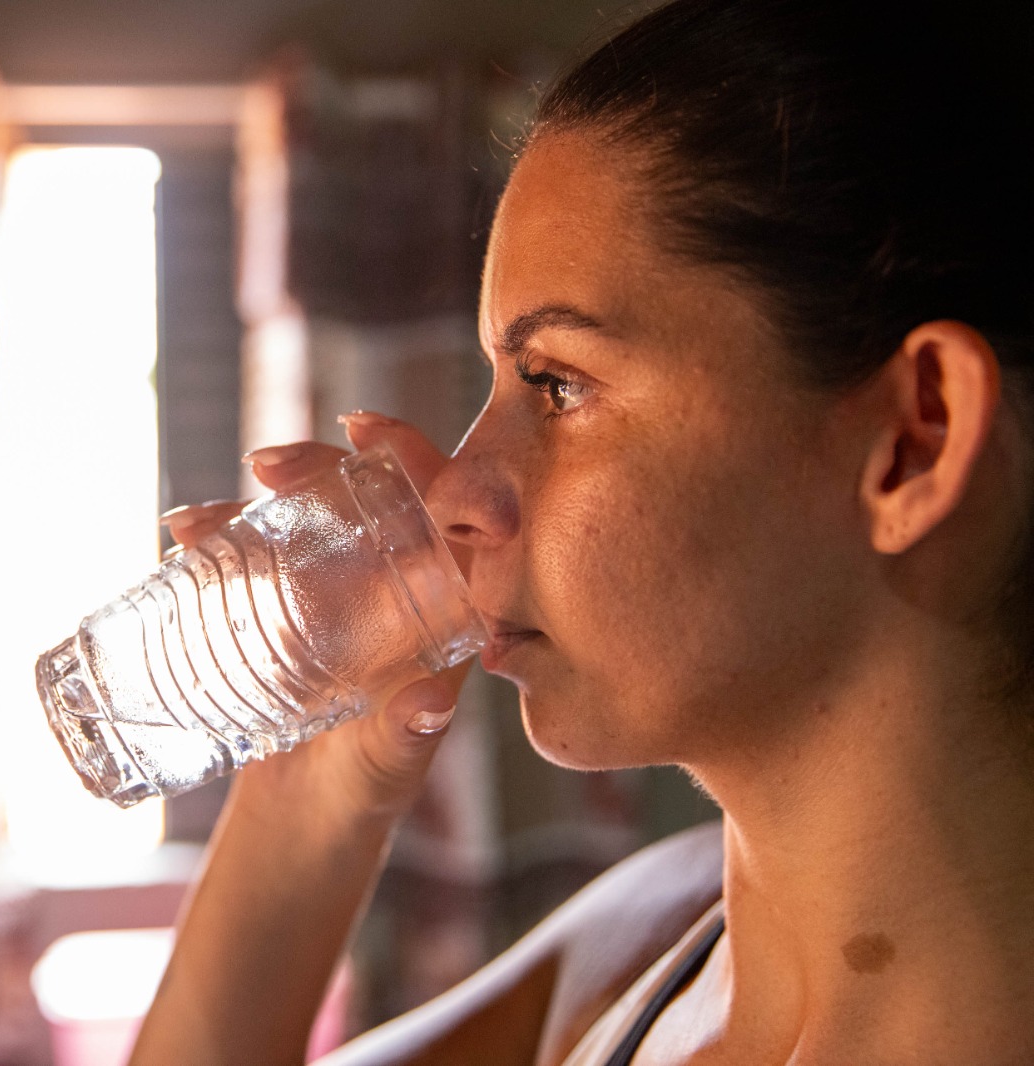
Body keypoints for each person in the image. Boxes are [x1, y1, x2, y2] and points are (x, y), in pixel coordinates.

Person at [129, 0, 1034, 1061]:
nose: (452, 486)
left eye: (555, 383)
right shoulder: (649, 932)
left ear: (914, 441)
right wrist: (306, 801)